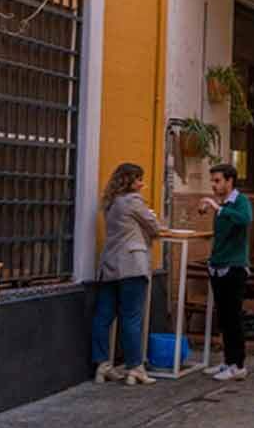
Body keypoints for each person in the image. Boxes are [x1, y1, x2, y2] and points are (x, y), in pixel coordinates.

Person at [91, 162, 160, 385]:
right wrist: (150, 214)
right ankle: (135, 368)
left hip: (109, 266)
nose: (142, 184)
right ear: (129, 180)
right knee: (131, 317)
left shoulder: (109, 203)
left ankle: (102, 365)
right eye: (139, 179)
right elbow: (155, 228)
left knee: (103, 317)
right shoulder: (133, 201)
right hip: (132, 265)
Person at [199, 163, 253, 382]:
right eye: (212, 181)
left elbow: (245, 220)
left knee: (233, 317)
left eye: (217, 181)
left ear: (230, 181)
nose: (213, 185)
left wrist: (218, 208)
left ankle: (238, 365)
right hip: (218, 264)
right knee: (223, 317)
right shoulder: (223, 203)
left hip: (234, 266)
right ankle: (227, 360)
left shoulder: (240, 201)